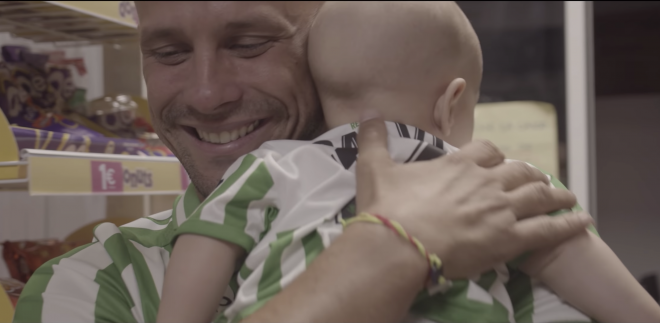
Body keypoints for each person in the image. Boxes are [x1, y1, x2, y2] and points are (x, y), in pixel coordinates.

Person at [12, 2, 593, 322]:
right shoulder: (92, 284)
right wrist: (390, 249)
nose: (208, 94)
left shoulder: (502, 215)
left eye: (250, 44)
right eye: (169, 53)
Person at [156, 2, 660, 323]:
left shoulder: (270, 166)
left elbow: (207, 243)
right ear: (453, 103)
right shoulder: (485, 178)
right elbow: (581, 269)